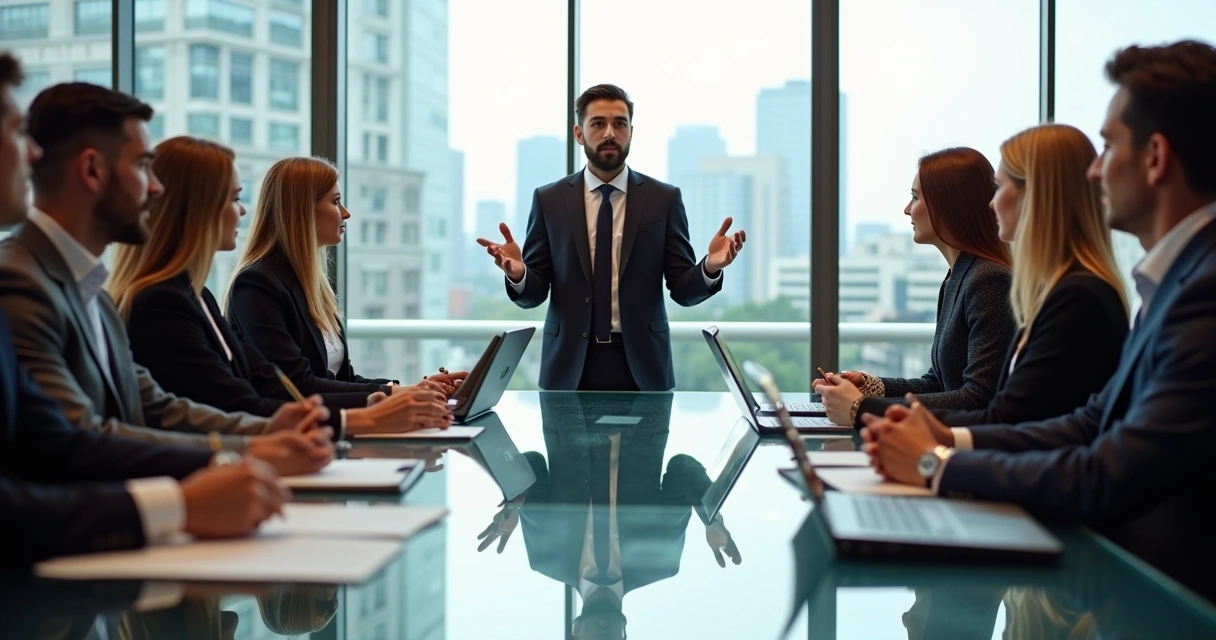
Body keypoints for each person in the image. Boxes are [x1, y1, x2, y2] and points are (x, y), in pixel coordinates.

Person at [861, 40, 1216, 603]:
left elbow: (1105, 473)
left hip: (1162, 601)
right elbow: (1089, 422)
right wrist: (947, 438)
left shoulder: (1198, 294)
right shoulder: (1172, 284)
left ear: (1155, 158)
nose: (1095, 172)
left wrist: (935, 462)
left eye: (1107, 147)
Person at [0, 52, 320, 566]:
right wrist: (228, 461)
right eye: (143, 166)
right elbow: (74, 442)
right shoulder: (21, 279)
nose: (156, 188)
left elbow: (153, 405)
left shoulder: (92, 289)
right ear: (92, 169)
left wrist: (263, 436)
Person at [108, 137, 458, 436]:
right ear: (197, 209)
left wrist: (395, 394)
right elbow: (250, 402)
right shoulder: (172, 301)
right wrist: (372, 411)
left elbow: (271, 382)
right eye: (234, 198)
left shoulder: (198, 296)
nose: (242, 211)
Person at [476, 84, 746, 391]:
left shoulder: (663, 199)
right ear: (579, 134)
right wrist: (519, 275)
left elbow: (683, 291)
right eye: (598, 124)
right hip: (568, 366)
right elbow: (534, 294)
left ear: (631, 132)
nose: (609, 133)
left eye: (619, 124)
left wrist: (710, 267)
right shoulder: (549, 200)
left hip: (643, 366)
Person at [928, 124, 1129, 428]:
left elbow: (1005, 416)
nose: (991, 203)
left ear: (1035, 195)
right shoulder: (1058, 290)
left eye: (999, 188)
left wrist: (867, 408)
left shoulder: (1077, 298)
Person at [224, 156, 464, 406]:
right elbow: (297, 386)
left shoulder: (314, 284)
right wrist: (399, 394)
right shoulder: (256, 285)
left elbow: (342, 380)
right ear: (303, 210)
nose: (346, 213)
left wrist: (413, 389)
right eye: (336, 201)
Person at [814, 147, 1015, 427]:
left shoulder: (988, 280)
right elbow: (938, 383)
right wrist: (871, 386)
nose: (907, 209)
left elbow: (978, 398)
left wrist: (862, 407)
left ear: (948, 205)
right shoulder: (959, 276)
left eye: (915, 197)